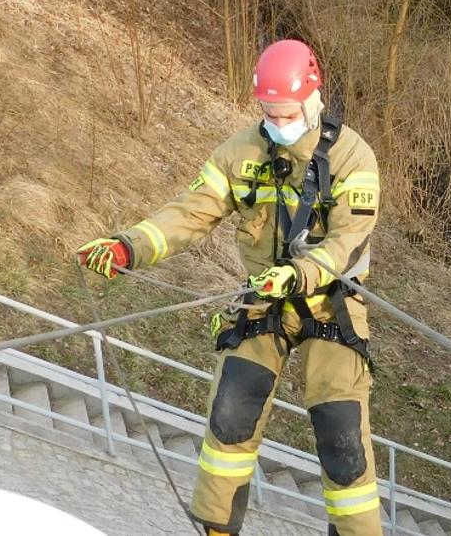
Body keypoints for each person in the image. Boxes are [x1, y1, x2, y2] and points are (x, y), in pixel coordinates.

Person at [78, 39, 383, 536]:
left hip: (332, 305)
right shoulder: (240, 154)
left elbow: (350, 239)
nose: (276, 122)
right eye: (268, 112)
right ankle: (217, 528)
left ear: (311, 100)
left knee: (341, 435)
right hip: (263, 298)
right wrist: (129, 246)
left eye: (285, 112)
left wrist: (301, 273)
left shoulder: (352, 157)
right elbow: (191, 211)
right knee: (230, 416)